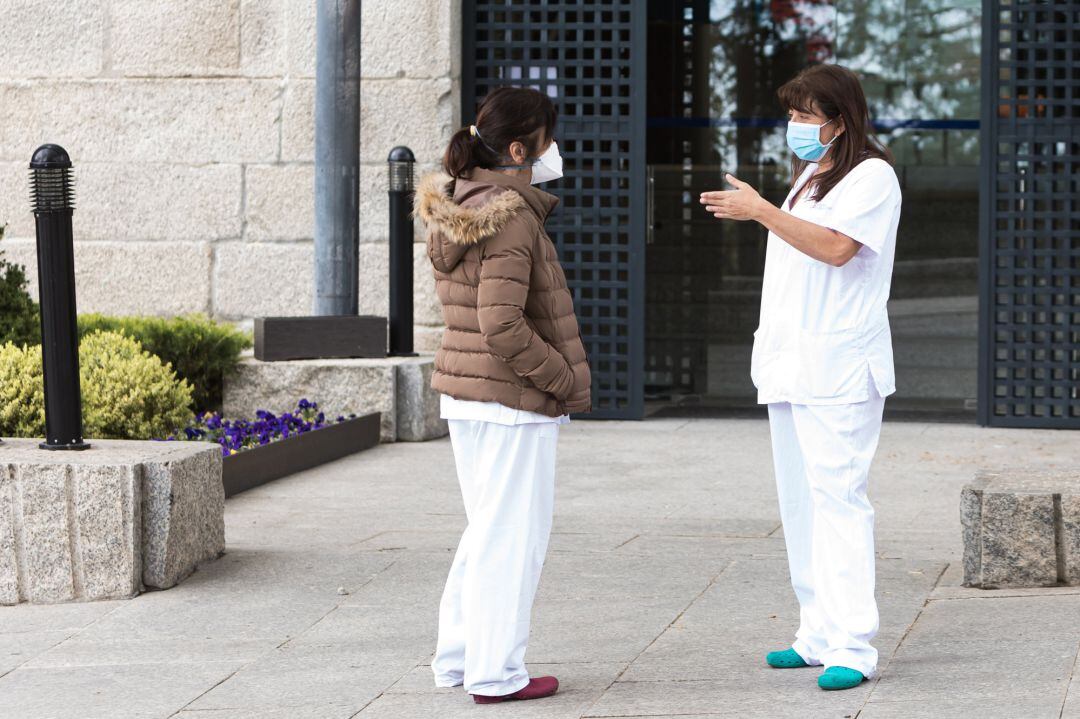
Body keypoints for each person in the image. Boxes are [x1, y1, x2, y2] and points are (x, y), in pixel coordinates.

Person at [699, 64, 902, 691]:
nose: (794, 125)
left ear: (839, 120)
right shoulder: (812, 176)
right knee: (800, 502)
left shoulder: (872, 176)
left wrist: (761, 210)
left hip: (840, 366)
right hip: (792, 364)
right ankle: (815, 632)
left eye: (805, 115)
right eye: (791, 114)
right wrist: (768, 209)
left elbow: (838, 249)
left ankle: (853, 645)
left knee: (839, 500)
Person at [413, 86, 592, 704]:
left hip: (470, 394)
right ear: (519, 150)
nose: (554, 150)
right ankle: (496, 673)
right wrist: (561, 379)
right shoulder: (510, 215)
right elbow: (502, 324)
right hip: (510, 400)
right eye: (548, 139)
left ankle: (459, 659)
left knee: (487, 530)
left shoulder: (466, 203)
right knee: (512, 539)